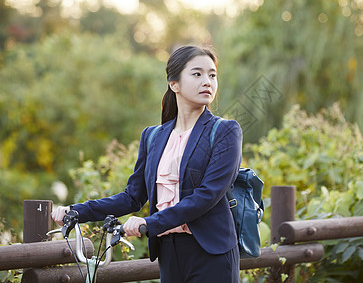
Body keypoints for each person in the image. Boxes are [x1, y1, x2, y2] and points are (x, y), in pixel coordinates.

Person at [52, 45, 242, 282]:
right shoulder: (152, 136)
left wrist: (150, 223)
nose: (208, 81)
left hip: (211, 253)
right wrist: (77, 211)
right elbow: (132, 197)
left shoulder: (225, 131)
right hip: (168, 252)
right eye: (197, 74)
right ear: (174, 84)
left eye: (212, 75)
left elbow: (207, 195)